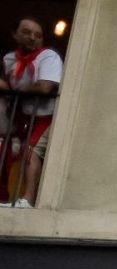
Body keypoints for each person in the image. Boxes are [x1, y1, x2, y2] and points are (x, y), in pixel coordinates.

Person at [0, 18, 62, 208]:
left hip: (46, 116)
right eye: (27, 32)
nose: (33, 38)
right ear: (15, 34)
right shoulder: (9, 59)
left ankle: (28, 200)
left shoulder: (48, 56)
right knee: (8, 150)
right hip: (25, 116)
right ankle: (5, 197)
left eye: (38, 35)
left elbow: (44, 87)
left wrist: (17, 91)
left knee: (30, 151)